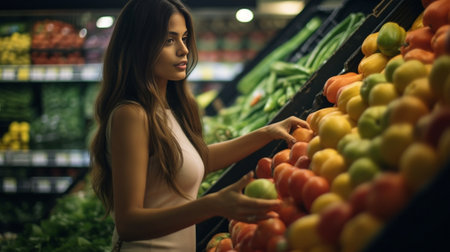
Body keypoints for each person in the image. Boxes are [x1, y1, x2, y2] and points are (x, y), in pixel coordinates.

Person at [90, 0, 310, 251]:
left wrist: (266, 133)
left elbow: (196, 160)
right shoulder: (131, 115)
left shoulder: (167, 110)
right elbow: (129, 224)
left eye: (184, 38)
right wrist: (212, 205)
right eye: (169, 40)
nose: (184, 50)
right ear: (138, 47)